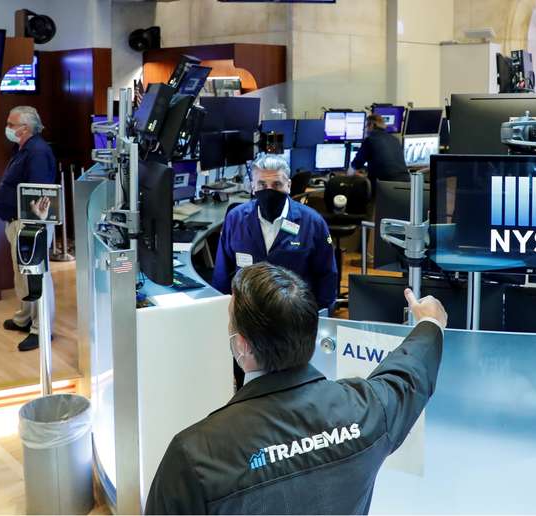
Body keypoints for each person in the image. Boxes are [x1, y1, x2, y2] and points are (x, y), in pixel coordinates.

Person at [146, 262, 446, 515]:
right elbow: (409, 374)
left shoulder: (194, 455)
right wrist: (430, 322)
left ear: (241, 346)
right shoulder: (368, 410)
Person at [211, 154, 338, 310]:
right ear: (253, 186)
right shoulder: (235, 219)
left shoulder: (312, 222)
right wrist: (220, 311)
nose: (269, 191)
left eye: (277, 184)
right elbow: (221, 274)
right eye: (262, 185)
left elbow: (327, 275)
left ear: (288, 185)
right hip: (248, 312)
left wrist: (321, 316)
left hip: (294, 314)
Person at [0, 106, 58, 352]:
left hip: (31, 223)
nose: (8, 128)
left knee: (36, 276)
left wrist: (32, 227)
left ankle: (41, 329)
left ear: (26, 128)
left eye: (11, 124)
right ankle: (25, 318)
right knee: (22, 275)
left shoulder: (39, 152)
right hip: (16, 221)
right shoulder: (22, 148)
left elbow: (38, 193)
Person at [348, 114, 409, 193]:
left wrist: (350, 174)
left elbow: (356, 164)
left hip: (384, 187)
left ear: (372, 125)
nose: (366, 130)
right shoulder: (395, 139)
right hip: (406, 185)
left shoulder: (370, 140)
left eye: (366, 127)